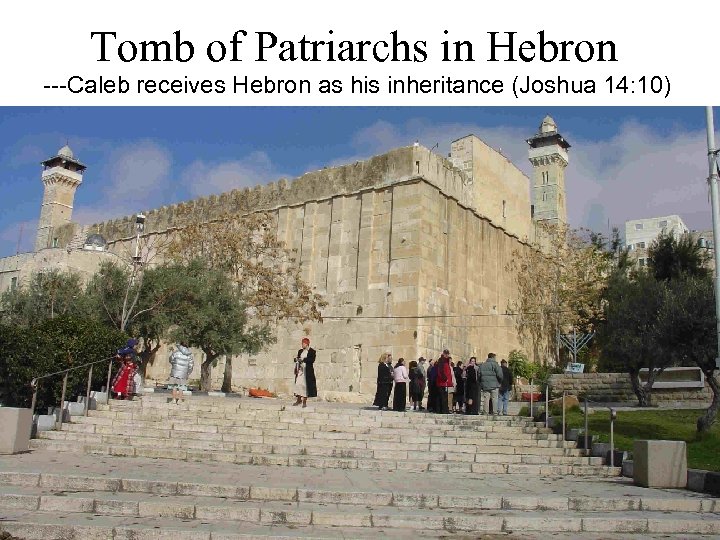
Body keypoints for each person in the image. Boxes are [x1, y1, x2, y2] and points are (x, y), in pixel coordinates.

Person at [293, 337, 317, 408]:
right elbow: (298, 358)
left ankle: (304, 401)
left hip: (307, 372)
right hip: (300, 370)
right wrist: (297, 359)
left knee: (305, 386)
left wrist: (303, 359)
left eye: (303, 343)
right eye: (302, 343)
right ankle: (299, 399)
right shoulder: (300, 351)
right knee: (298, 384)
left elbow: (311, 360)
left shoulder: (312, 351)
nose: (302, 345)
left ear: (307, 344)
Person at [435, 350, 454, 414]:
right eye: (447, 354)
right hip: (442, 382)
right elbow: (440, 371)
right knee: (443, 397)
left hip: (444, 382)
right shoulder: (442, 361)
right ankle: (443, 410)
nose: (448, 356)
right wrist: (445, 378)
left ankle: (442, 409)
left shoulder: (444, 361)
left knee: (443, 396)